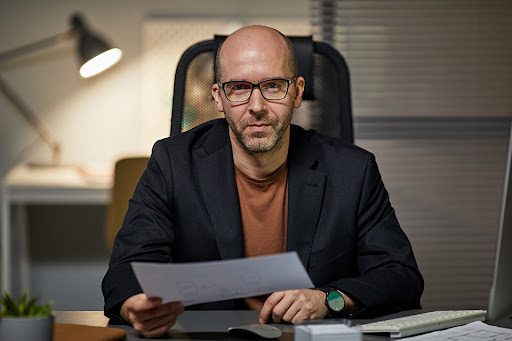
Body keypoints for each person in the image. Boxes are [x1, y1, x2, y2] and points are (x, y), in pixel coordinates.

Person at [102, 25, 423, 338]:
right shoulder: (173, 163)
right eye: (239, 88)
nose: (256, 107)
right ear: (218, 97)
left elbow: (401, 277)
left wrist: (329, 300)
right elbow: (126, 271)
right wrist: (136, 306)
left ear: (297, 92)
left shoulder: (352, 170)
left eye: (272, 86)